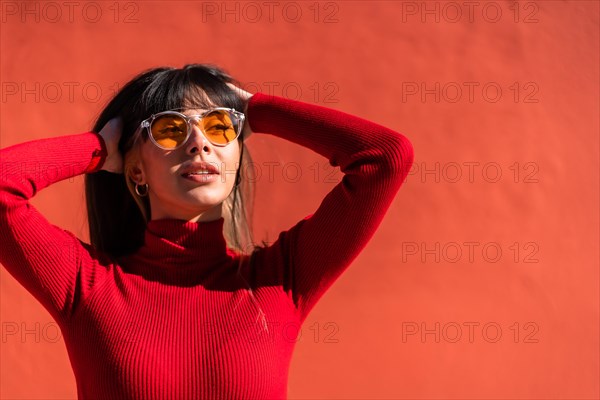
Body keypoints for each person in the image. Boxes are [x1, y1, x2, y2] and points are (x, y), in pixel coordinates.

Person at [0, 64, 414, 399]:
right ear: (136, 168)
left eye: (219, 126)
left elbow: (385, 158)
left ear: (238, 150)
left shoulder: (280, 280)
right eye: (169, 129)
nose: (199, 142)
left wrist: (257, 110)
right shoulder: (88, 285)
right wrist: (99, 149)